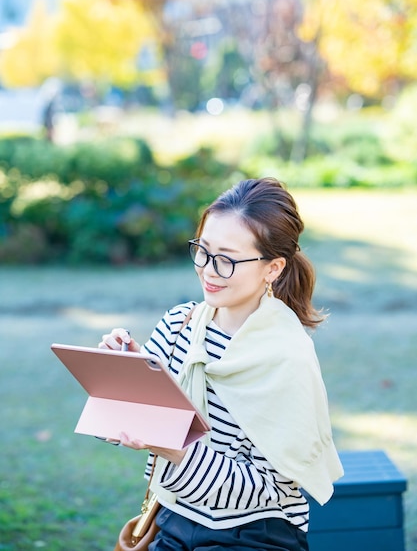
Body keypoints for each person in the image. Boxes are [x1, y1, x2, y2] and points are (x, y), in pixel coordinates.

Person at [99, 177, 343, 551]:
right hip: (174, 519)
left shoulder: (286, 357)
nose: (209, 269)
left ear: (272, 268)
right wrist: (122, 373)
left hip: (255, 533)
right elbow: (118, 424)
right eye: (203, 250)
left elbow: (271, 488)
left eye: (227, 259)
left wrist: (178, 449)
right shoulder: (179, 325)